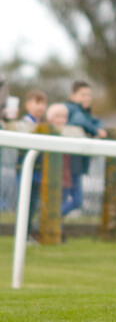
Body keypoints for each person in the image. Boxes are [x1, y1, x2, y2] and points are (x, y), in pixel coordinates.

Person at [63, 81, 107, 216]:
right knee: (72, 200)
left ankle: (49, 229)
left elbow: (97, 123)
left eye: (89, 95)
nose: (87, 98)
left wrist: (96, 128)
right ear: (73, 95)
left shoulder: (87, 113)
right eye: (83, 94)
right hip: (66, 164)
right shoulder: (71, 109)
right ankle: (42, 227)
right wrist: (95, 130)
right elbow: (80, 121)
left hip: (77, 165)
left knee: (74, 200)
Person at [17, 90, 48, 242]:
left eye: (43, 103)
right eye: (37, 103)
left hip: (38, 172)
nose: (40, 107)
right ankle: (23, 234)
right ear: (28, 105)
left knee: (33, 205)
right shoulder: (24, 123)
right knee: (25, 204)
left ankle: (28, 234)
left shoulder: (44, 125)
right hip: (24, 170)